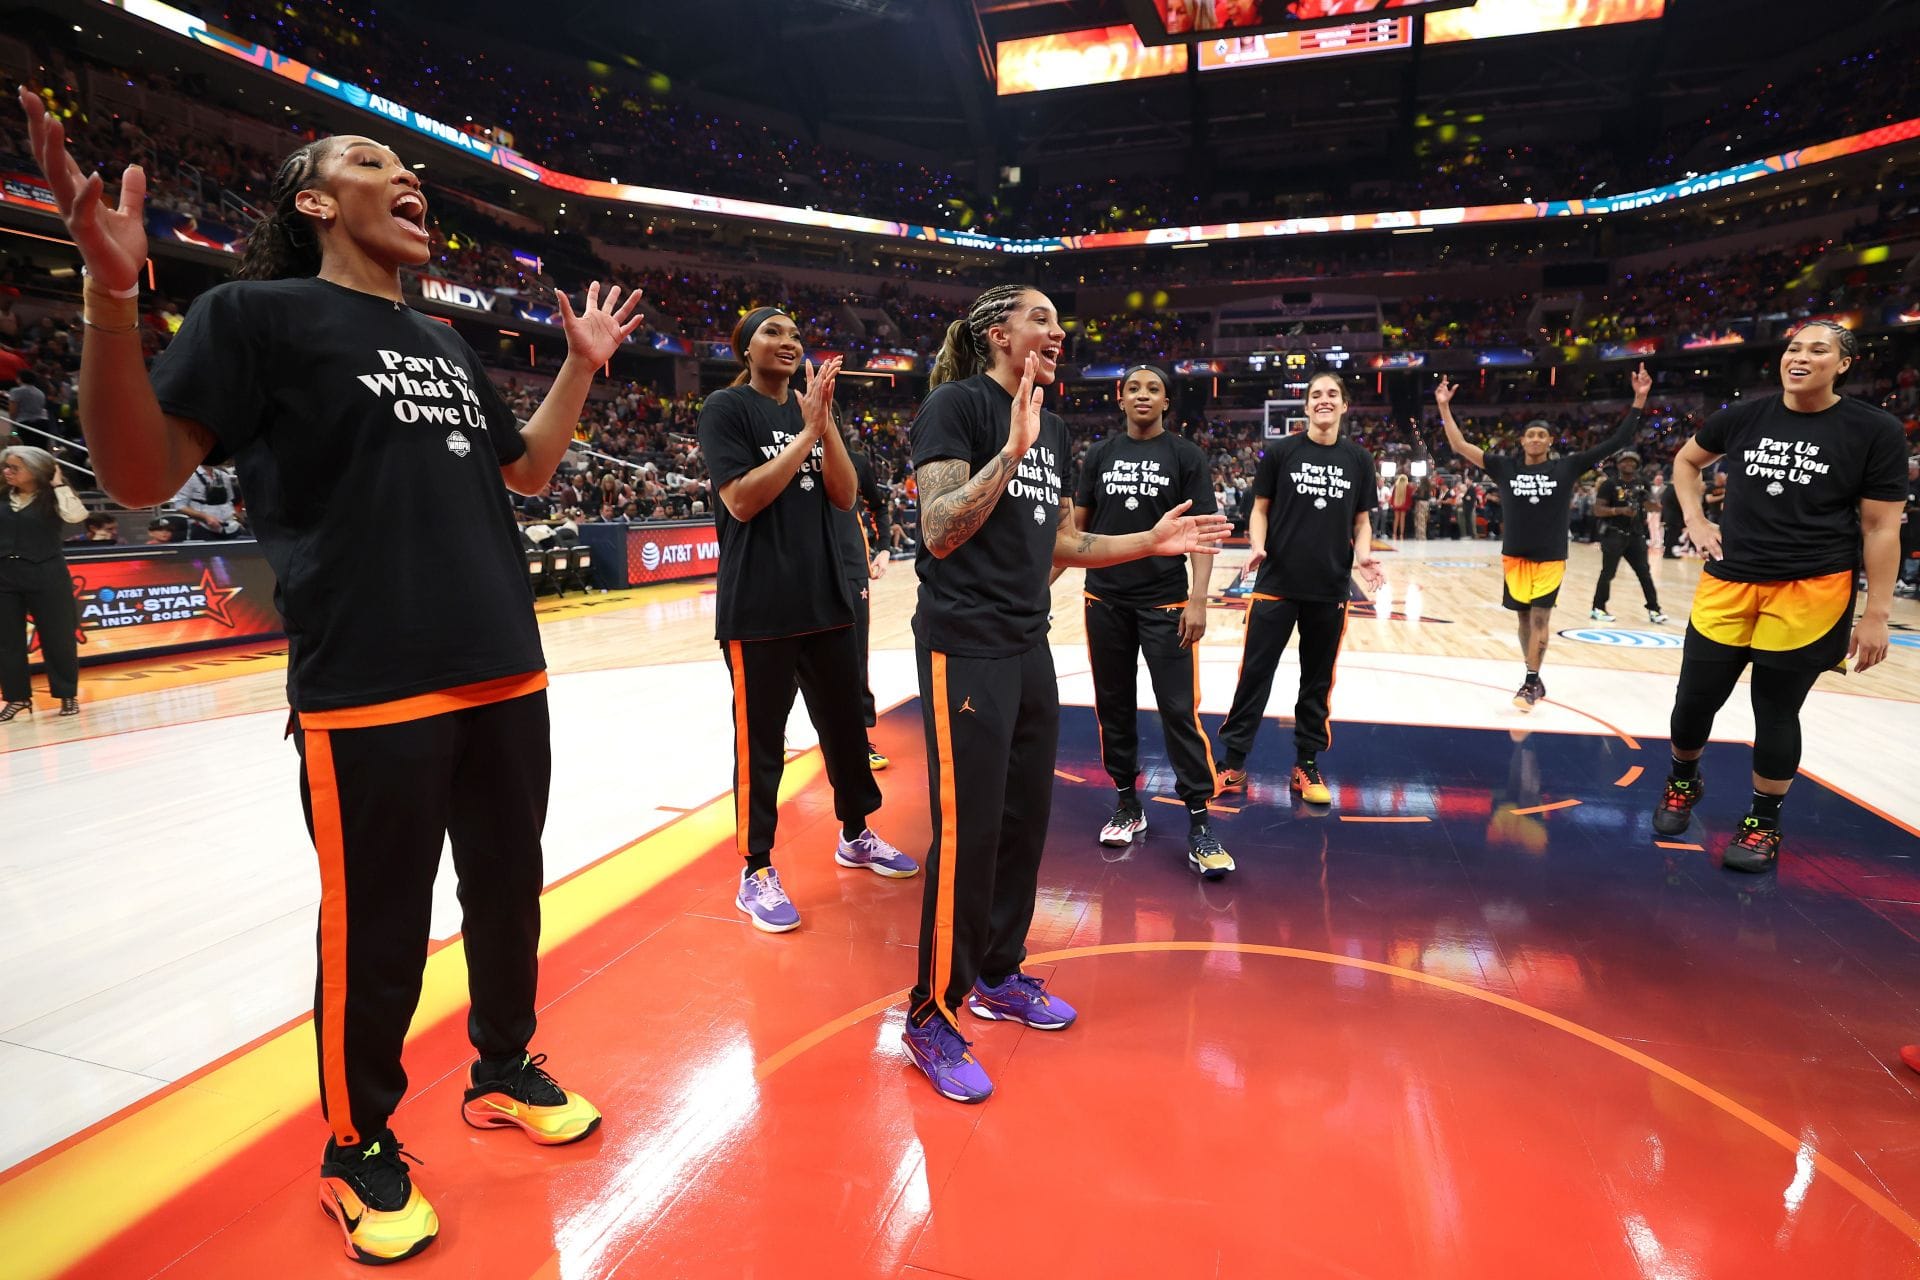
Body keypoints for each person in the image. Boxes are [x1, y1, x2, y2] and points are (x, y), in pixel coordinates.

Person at [23, 91, 642, 1264]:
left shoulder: (447, 340)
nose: (406, 175)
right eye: (373, 160)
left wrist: (577, 366)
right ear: (313, 200)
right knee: (381, 932)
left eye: (410, 164)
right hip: (371, 680)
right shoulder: (253, 314)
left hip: (505, 665)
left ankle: (503, 1065)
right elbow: (142, 474)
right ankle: (358, 1144)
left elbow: (533, 472)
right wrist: (111, 301)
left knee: (510, 892)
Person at [901, 284, 1229, 1104]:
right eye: (1040, 318)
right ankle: (929, 1014)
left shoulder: (1053, 425)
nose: (1057, 332)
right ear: (996, 331)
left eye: (1057, 320)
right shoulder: (957, 406)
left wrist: (1146, 542)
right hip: (963, 647)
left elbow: (1063, 541)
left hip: (1026, 643)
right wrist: (1007, 454)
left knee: (1023, 824)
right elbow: (939, 529)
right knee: (968, 831)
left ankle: (998, 972)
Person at [1651, 321, 1905, 873]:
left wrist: (1876, 614)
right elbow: (1686, 462)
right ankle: (1682, 783)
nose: (1801, 357)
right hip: (1728, 582)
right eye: (1794, 347)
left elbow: (1882, 528)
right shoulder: (1746, 414)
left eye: (1819, 350)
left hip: (1812, 591)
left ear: (1843, 365)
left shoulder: (1874, 430)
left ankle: (1763, 824)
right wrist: (1694, 519)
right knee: (1693, 702)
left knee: (1776, 711)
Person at [698, 307, 915, 937]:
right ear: (744, 346)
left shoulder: (811, 410)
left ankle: (856, 834)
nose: (789, 341)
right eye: (773, 332)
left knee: (846, 733)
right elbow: (740, 500)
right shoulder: (724, 408)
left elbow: (845, 495)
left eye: (796, 333)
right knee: (761, 746)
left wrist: (822, 425)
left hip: (825, 602)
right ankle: (755, 869)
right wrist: (804, 436)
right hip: (759, 608)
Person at [1072, 364, 1228, 877]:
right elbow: (1077, 534)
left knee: (1179, 713)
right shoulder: (1099, 454)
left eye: (1153, 389)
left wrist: (1198, 598)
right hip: (1105, 602)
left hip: (1165, 604)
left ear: (1166, 403)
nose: (1143, 395)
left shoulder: (1186, 455)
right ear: (1120, 399)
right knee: (1113, 709)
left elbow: (1203, 532)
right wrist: (1037, 588)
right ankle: (1126, 804)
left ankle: (1200, 824)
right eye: (1134, 388)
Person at [1435, 364, 1651, 710]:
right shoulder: (1505, 467)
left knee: (1540, 618)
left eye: (1541, 435)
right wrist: (1444, 406)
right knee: (1522, 619)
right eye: (1530, 435)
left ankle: (1531, 682)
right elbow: (1460, 445)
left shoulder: (1567, 466)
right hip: (1515, 556)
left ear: (1550, 442)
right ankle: (1531, 673)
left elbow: (1618, 441)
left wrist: (1639, 399)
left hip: (1550, 556)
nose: (1535, 439)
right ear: (1522, 441)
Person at [1214, 372, 1383, 807]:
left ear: (1345, 405)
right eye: (1315, 395)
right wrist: (1257, 545)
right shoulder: (1282, 452)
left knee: (1316, 682)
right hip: (1277, 583)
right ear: (1306, 407)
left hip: (1329, 588)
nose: (1323, 400)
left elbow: (1362, 521)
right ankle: (1232, 762)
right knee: (1254, 676)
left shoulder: (1359, 460)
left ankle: (1305, 764)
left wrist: (1363, 556)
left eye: (1332, 394)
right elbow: (1260, 509)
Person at [0, 444, 85, 721]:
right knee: (7, 641)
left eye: (15, 467)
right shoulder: (2, 496)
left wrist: (58, 483)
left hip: (48, 573)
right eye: (6, 466)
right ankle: (16, 698)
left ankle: (66, 695)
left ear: (36, 471)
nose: (7, 472)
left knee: (58, 638)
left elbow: (76, 517)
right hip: (5, 575)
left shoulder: (52, 497)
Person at [831, 415, 893, 770]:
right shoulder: (791, 457)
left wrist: (884, 547)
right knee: (795, 657)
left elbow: (878, 506)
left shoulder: (855, 462)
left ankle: (859, 739)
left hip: (853, 569)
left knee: (856, 658)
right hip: (809, 572)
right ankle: (776, 732)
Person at [1588, 450, 1669, 623]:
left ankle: (1654, 609)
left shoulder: (1643, 483)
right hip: (1614, 534)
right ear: (1618, 464)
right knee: (1608, 573)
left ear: (1638, 464)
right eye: (1625, 461)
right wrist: (1620, 510)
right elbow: (1598, 510)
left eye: (1632, 461)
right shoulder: (1609, 484)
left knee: (1644, 573)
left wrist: (1649, 501)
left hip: (1636, 536)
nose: (1628, 464)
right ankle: (1598, 608)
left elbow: (1653, 508)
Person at [170, 461, 245, 539]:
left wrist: (238, 519)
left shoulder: (224, 476)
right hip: (202, 528)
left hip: (230, 526)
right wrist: (205, 517)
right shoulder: (187, 477)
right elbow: (180, 506)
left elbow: (229, 502)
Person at [1390, 471, 1411, 541]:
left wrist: (1392, 504)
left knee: (1396, 520)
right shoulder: (1407, 486)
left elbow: (1393, 496)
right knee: (1402, 520)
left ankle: (1394, 534)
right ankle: (1401, 535)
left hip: (1396, 504)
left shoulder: (1396, 486)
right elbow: (1409, 497)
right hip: (1404, 505)